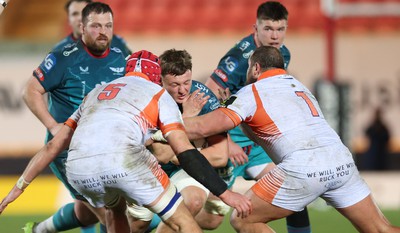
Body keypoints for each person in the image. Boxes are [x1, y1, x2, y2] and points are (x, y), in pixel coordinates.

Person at [0, 50, 252, 233]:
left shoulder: (96, 92)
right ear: (158, 79)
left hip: (79, 168)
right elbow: (183, 151)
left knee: (114, 211)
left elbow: (53, 146)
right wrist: (227, 193)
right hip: (124, 163)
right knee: (183, 221)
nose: (181, 89)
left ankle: (42, 229)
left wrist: (18, 187)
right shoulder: (157, 94)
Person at [183, 45, 400, 233]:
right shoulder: (298, 86)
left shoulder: (251, 92)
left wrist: (168, 123)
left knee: (243, 218)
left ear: (256, 68)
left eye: (249, 68)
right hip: (341, 161)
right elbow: (260, 135)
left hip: (303, 168)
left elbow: (203, 127)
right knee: (380, 228)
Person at [204, 1, 311, 232]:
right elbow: (208, 96)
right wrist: (226, 141)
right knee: (211, 220)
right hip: (229, 142)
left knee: (294, 189)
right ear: (255, 29)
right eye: (268, 29)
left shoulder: (282, 54)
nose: (275, 35)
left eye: (280, 29)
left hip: (256, 143)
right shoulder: (239, 59)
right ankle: (166, 218)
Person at [21, 2, 127, 233]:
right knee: (112, 212)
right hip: (70, 152)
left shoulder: (121, 58)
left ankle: (40, 230)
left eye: (108, 26)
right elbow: (29, 91)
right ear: (82, 25)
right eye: (96, 26)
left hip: (105, 147)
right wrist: (53, 125)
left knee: (88, 212)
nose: (103, 31)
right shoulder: (62, 58)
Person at [127, 49, 232, 233]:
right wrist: (186, 118)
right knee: (137, 225)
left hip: (181, 169)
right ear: (160, 81)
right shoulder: (150, 97)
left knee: (196, 202)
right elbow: (161, 155)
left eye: (187, 82)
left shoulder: (203, 98)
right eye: (175, 84)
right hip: (147, 169)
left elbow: (220, 156)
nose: (183, 90)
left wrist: (181, 156)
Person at [53, 0, 132, 58]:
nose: (80, 18)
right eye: (75, 14)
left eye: (84, 13)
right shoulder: (59, 50)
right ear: (68, 19)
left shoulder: (118, 43)